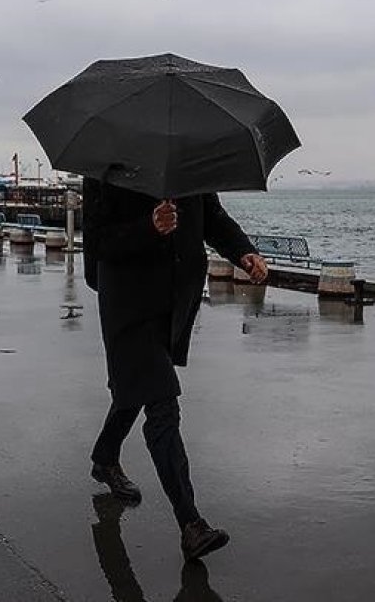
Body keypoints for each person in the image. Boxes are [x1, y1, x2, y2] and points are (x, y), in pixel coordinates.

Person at [82, 176, 268, 561]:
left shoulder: (188, 157)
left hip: (172, 306)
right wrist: (148, 227)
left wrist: (243, 252)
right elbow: (98, 242)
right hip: (128, 305)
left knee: (137, 387)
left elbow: (212, 216)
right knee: (162, 403)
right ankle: (191, 524)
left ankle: (104, 457)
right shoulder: (106, 164)